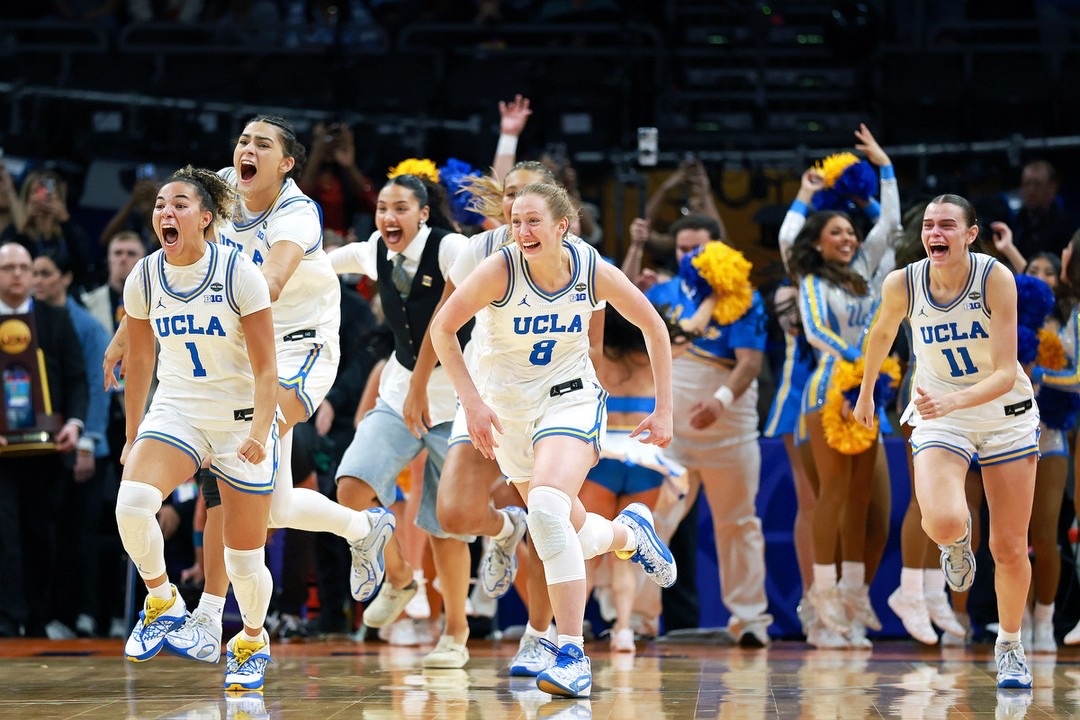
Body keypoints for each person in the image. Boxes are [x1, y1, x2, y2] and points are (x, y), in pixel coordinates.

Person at [149, 115, 393, 664]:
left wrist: (216, 297)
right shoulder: (219, 188)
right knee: (274, 506)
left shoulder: (297, 212)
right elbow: (173, 253)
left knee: (234, 463)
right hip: (248, 348)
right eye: (243, 140)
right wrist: (131, 328)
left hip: (302, 348)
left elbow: (273, 281)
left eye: (263, 144)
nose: (248, 149)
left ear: (285, 164)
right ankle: (363, 528)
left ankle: (213, 619)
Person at [429, 182, 677, 699]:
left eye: (533, 221)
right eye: (516, 221)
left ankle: (570, 653)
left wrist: (664, 409)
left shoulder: (590, 268)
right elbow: (442, 330)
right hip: (508, 412)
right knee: (560, 529)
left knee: (544, 510)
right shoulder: (499, 267)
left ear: (562, 225)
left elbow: (654, 327)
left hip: (570, 399)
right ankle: (628, 535)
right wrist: (471, 402)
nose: (522, 231)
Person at [853, 193, 1038, 690]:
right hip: (941, 414)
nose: (935, 233)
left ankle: (1010, 647)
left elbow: (1005, 373)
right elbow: (881, 333)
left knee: (1009, 547)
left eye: (947, 225)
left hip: (1003, 413)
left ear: (971, 234)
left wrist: (953, 402)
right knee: (941, 519)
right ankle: (955, 545)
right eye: (929, 225)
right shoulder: (903, 282)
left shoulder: (995, 278)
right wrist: (867, 392)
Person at [114, 166, 279, 691]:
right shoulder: (143, 276)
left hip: (239, 420)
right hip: (179, 409)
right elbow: (141, 363)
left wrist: (260, 430)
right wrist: (133, 435)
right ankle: (162, 600)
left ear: (206, 218)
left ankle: (251, 639)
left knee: (243, 559)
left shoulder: (238, 273)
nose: (167, 212)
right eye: (161, 205)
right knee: (131, 505)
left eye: (180, 204)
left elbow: (267, 369)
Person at [327, 173, 475, 669]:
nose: (388, 217)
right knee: (351, 487)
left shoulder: (453, 250)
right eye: (382, 208)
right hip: (399, 394)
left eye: (401, 208)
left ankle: (456, 632)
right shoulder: (375, 250)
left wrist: (420, 386)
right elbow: (322, 262)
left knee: (446, 525)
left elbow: (443, 325)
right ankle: (399, 576)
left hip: (456, 401)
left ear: (424, 214)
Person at [785, 125, 899, 648]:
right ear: (817, 242)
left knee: (862, 498)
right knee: (831, 493)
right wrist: (861, 361)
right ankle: (823, 596)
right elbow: (816, 331)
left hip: (869, 390)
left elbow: (890, 225)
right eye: (836, 233)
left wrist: (885, 168)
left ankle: (853, 596)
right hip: (828, 389)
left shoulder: (868, 273)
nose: (848, 239)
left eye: (851, 232)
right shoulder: (811, 281)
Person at [644, 213, 773, 647]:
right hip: (671, 436)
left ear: (718, 247)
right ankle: (637, 619)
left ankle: (750, 621)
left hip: (729, 433)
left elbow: (750, 363)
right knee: (651, 523)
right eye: (683, 249)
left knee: (739, 525)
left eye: (698, 248)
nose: (689, 256)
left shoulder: (744, 297)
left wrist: (720, 400)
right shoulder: (661, 294)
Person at [0, 242, 88, 638]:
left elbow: (76, 378)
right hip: (3, 455)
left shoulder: (55, 318)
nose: (19, 274)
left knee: (42, 536)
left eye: (25, 267)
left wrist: (75, 424)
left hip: (48, 451)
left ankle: (37, 618)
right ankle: (7, 618)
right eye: (9, 268)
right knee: (4, 535)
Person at [31, 248, 112, 639]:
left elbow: (98, 387)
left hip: (84, 448)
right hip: (48, 446)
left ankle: (85, 612)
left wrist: (87, 442)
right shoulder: (29, 321)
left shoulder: (88, 327)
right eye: (34, 273)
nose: (36, 281)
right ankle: (54, 613)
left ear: (65, 278)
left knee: (80, 533)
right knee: (52, 532)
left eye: (45, 273)